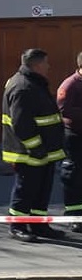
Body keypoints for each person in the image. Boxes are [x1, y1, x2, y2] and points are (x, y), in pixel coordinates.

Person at [1, 48, 66, 242]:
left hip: (43, 151)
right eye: (46, 63)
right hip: (28, 152)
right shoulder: (22, 87)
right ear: (37, 65)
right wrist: (36, 147)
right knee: (26, 189)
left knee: (41, 190)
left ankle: (38, 225)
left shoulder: (33, 83)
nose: (49, 66)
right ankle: (17, 226)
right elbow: (21, 124)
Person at [56, 52, 82, 233]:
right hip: (75, 136)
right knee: (74, 176)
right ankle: (75, 216)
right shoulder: (70, 85)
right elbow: (64, 110)